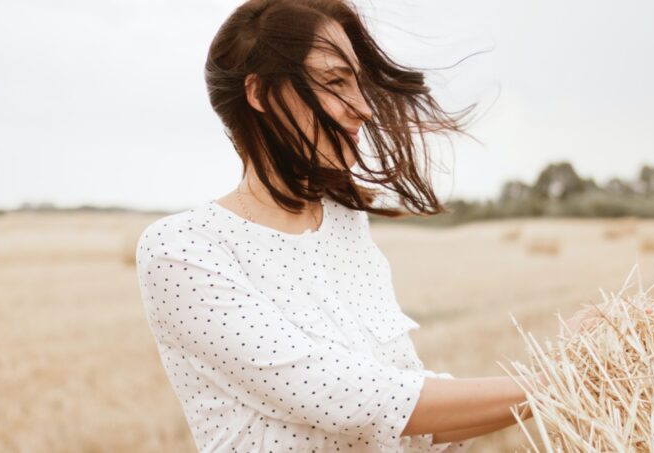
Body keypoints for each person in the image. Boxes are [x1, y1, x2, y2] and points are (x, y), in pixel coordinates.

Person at [135, 1, 600, 451]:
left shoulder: (344, 224)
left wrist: (567, 368)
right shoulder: (183, 249)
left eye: (358, 84)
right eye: (336, 82)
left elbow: (408, 420)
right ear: (259, 93)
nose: (364, 108)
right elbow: (352, 399)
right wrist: (556, 379)